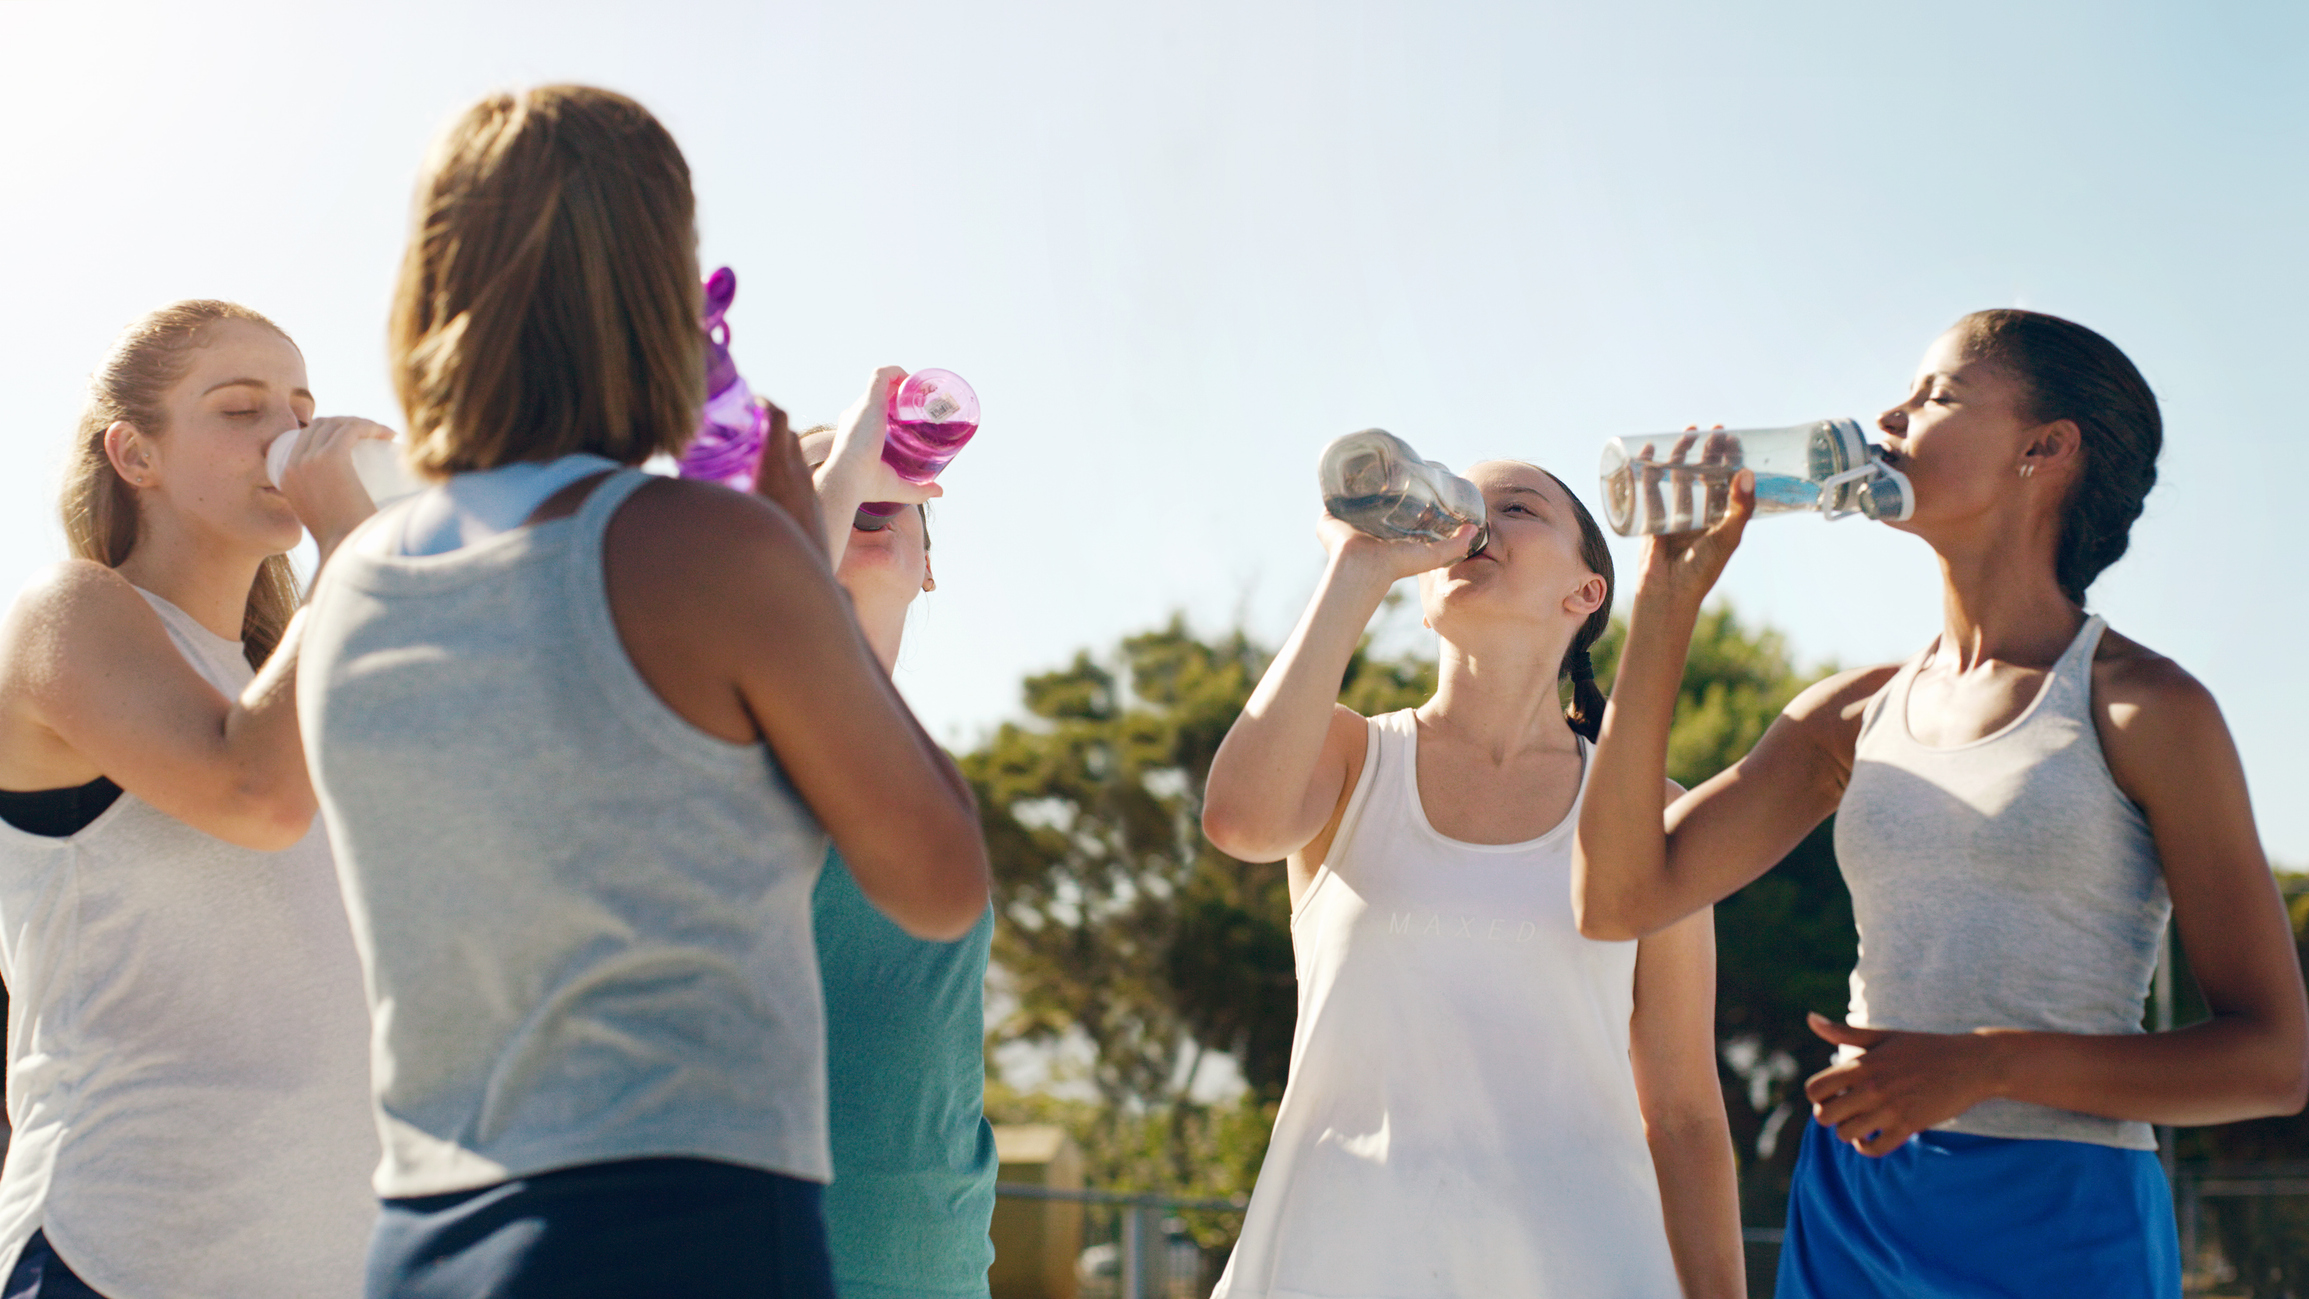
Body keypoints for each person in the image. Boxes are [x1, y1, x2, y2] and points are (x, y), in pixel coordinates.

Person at [296, 85, 990, 1298]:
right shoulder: (706, 555)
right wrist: (790, 555)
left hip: (424, 1237)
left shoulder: (355, 581)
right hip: (684, 1234)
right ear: (664, 293)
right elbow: (936, 882)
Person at [1573, 309, 2309, 1298]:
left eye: (1935, 396)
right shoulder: (1848, 714)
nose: (1887, 414)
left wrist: (1985, 1064)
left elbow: (2268, 1062)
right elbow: (1617, 898)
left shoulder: (2145, 709)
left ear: (2043, 451)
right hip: (1856, 1203)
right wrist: (1664, 603)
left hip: (2058, 1212)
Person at [1200, 461, 1745, 1297]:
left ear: (1585, 591)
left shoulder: (1648, 812)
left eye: (1513, 509)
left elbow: (1682, 1112)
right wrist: (1357, 564)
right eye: (1453, 509)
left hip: (1589, 1267)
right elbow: (1238, 821)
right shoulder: (1350, 760)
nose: (1472, 526)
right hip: (1337, 1260)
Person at [0, 300, 387, 1296]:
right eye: (241, 408)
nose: (291, 434)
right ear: (136, 455)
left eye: (301, 406)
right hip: (116, 1258)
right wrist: (350, 544)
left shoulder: (294, 679)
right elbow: (250, 795)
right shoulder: (70, 610)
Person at [799, 424, 998, 1299]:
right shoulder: (712, 739)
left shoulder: (934, 784)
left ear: (928, 565)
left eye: (886, 475)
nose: (857, 468)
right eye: (817, 469)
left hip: (930, 1268)